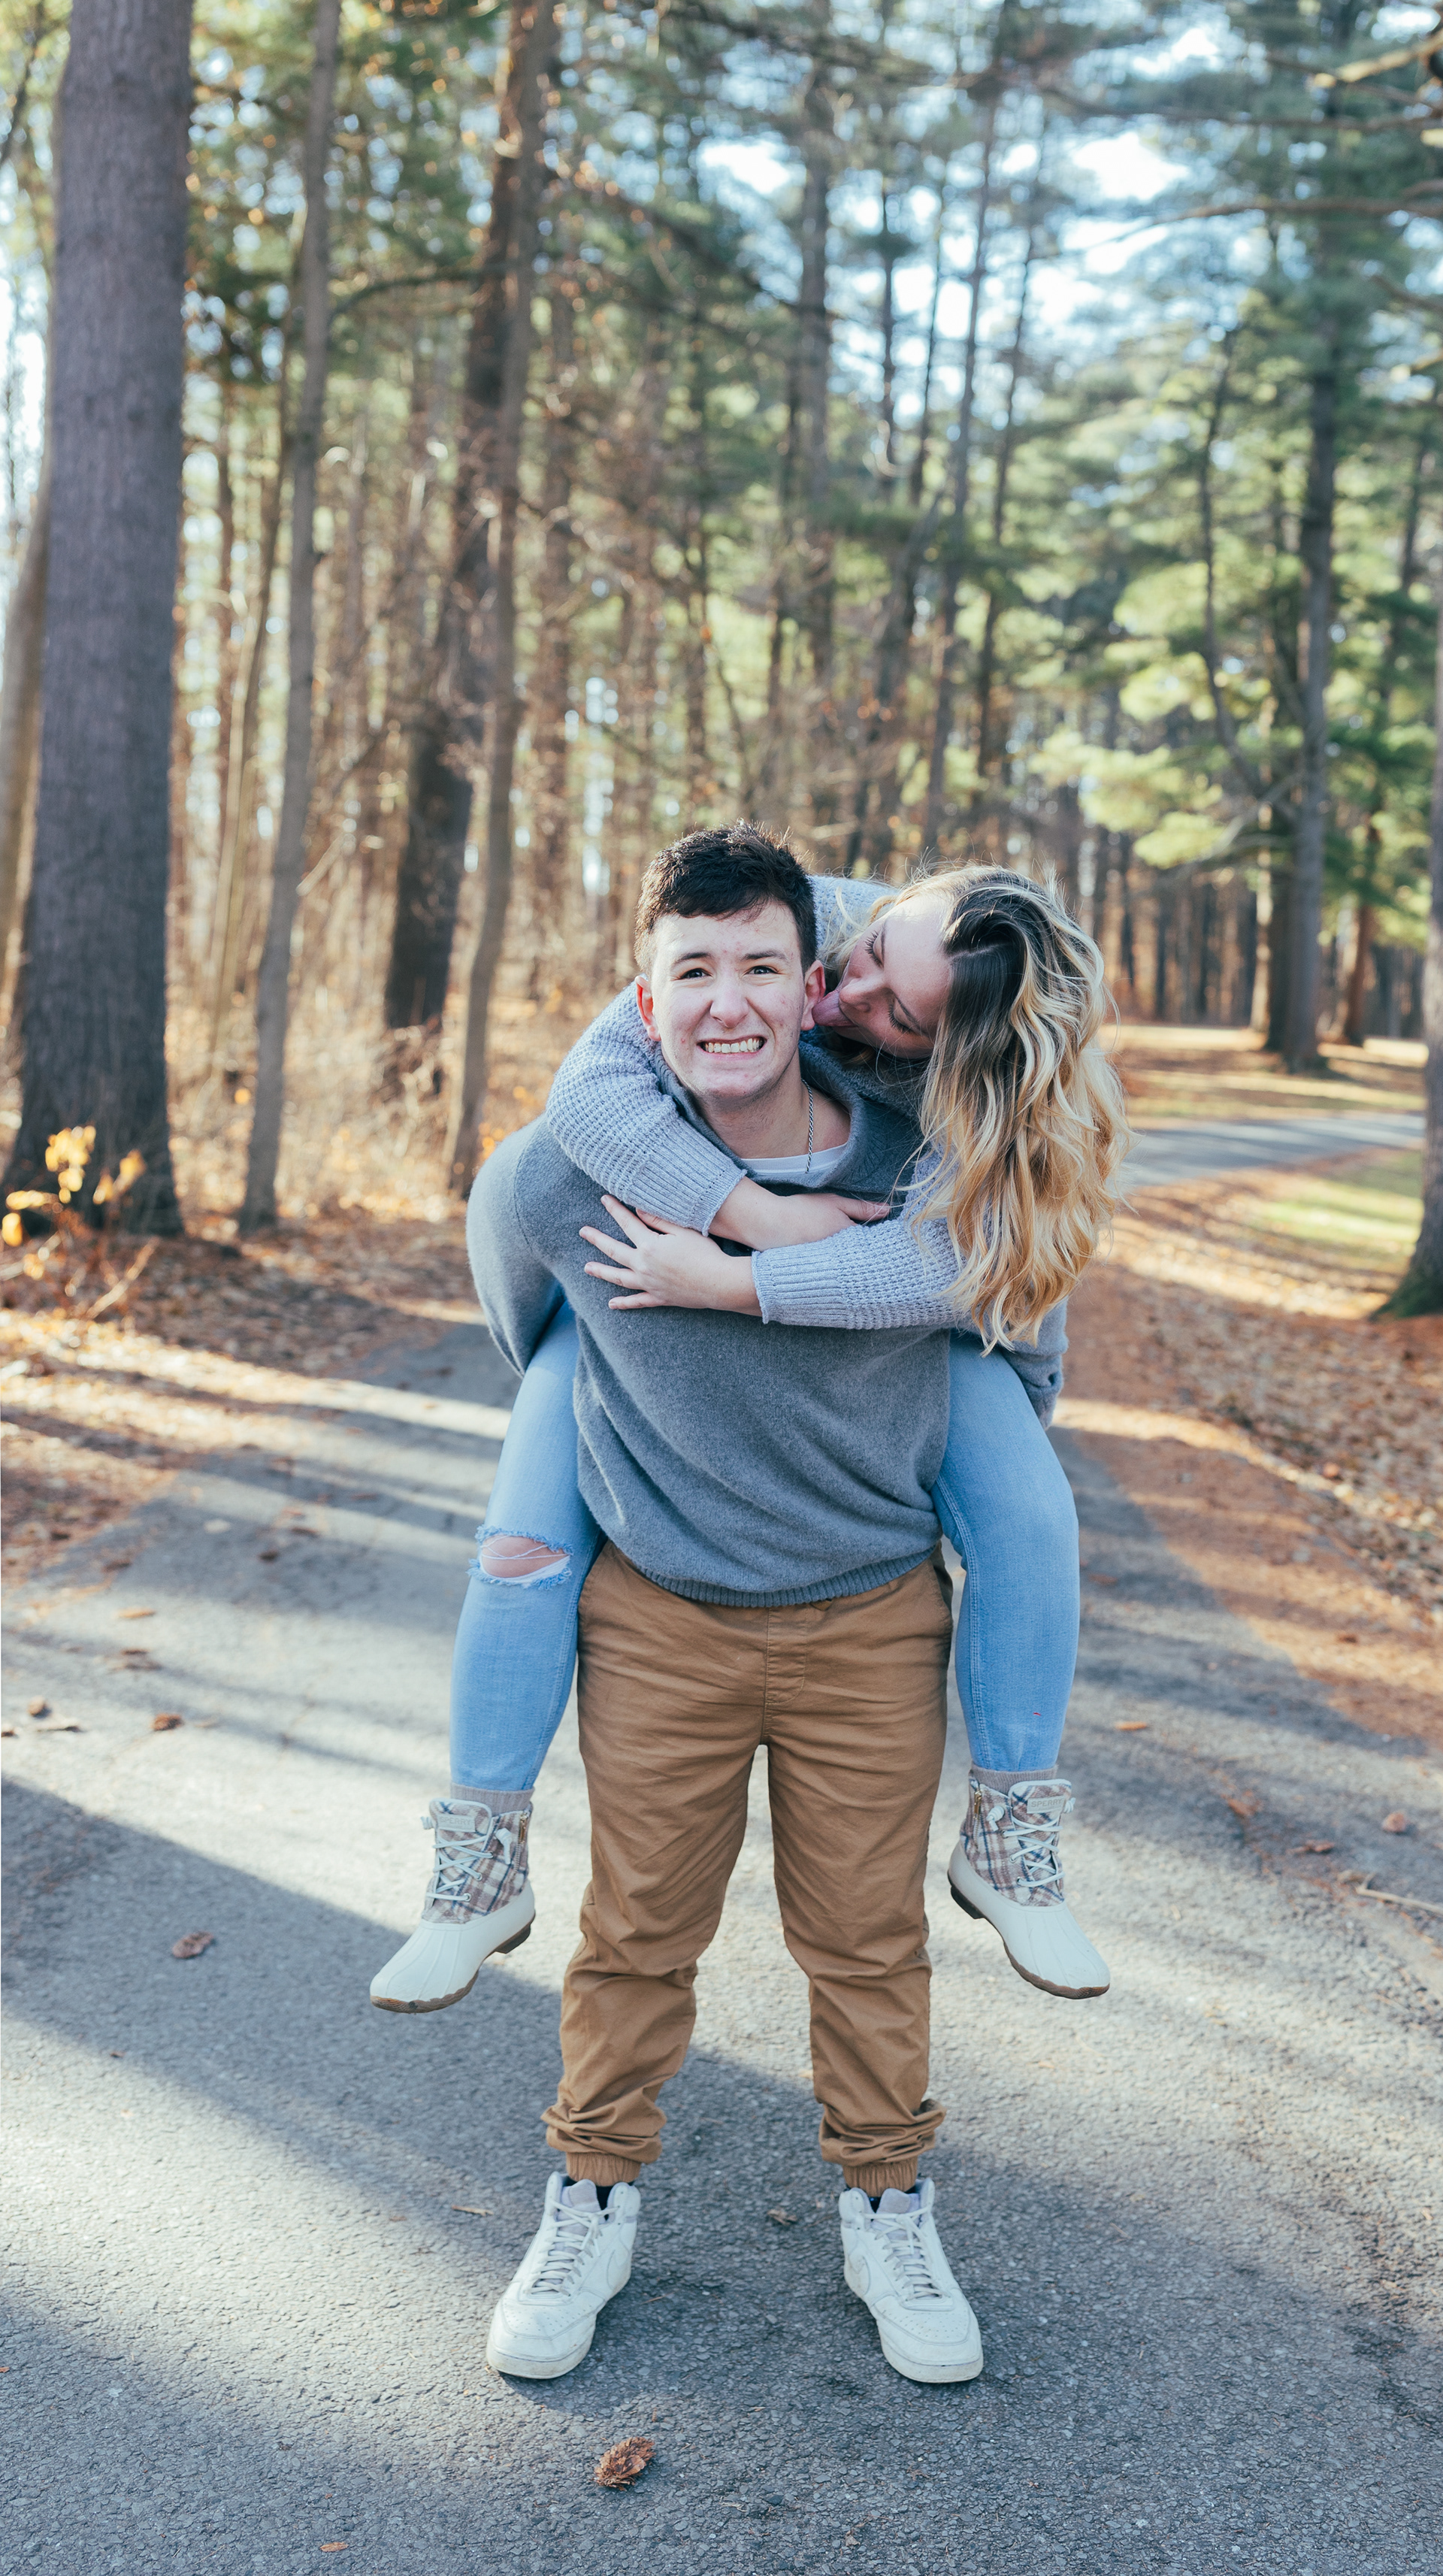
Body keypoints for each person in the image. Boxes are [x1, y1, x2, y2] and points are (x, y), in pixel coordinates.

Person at [369, 828, 1127, 2022]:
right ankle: (480, 1857)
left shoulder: (984, 1109)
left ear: (956, 1057)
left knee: (1033, 1521)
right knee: (518, 1549)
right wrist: (757, 1219)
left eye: (898, 1016)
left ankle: (1012, 1830)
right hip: (615, 1314)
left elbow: (982, 1268)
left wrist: (739, 1281)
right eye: (866, 956)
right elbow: (582, 1107)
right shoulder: (797, 925)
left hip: (943, 1326)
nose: (845, 995)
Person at [470, 829, 984, 2384]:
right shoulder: (576, 1162)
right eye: (693, 972)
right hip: (664, 1613)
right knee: (634, 1932)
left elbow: (1009, 1288)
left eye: (762, 965)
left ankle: (888, 2205)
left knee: (869, 1939)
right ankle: (590, 2196)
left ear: (811, 981)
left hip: (869, 1612)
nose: (729, 1002)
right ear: (650, 999)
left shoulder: (914, 1150)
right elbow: (523, 1302)